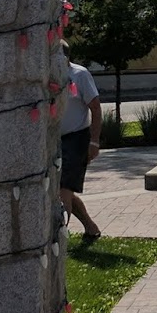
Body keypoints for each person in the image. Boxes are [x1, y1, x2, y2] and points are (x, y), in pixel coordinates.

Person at [58, 45, 103, 245]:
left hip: (76, 138)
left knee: (63, 190)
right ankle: (90, 227)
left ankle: (59, 240)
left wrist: (94, 142)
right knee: (62, 189)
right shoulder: (47, 76)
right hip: (54, 140)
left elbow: (96, 108)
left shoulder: (80, 75)